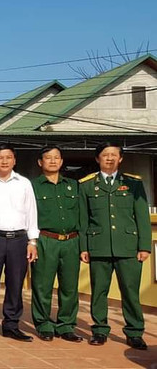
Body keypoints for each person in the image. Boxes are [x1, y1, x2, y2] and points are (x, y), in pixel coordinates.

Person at [79, 142, 150, 350]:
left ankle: (135, 332)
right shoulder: (86, 185)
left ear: (120, 159)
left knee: (130, 291)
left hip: (128, 246)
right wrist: (84, 247)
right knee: (99, 291)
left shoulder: (133, 183)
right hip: (98, 246)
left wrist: (144, 246)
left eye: (113, 155)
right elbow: (84, 220)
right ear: (97, 159)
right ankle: (99, 330)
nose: (109, 158)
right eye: (105, 155)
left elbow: (142, 217)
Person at [0, 143, 38, 342]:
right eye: (0, 157)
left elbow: (31, 212)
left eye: (8, 157)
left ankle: (12, 325)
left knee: (15, 284)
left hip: (19, 240)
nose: (4, 161)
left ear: (14, 160)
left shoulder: (24, 183)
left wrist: (32, 241)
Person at [30, 146, 83, 342]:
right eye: (48, 158)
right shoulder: (32, 186)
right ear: (40, 162)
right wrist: (32, 241)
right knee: (42, 286)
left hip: (71, 240)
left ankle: (66, 325)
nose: (52, 161)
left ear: (61, 162)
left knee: (69, 287)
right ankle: (44, 324)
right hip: (46, 240)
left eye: (56, 158)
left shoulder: (74, 185)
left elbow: (83, 215)